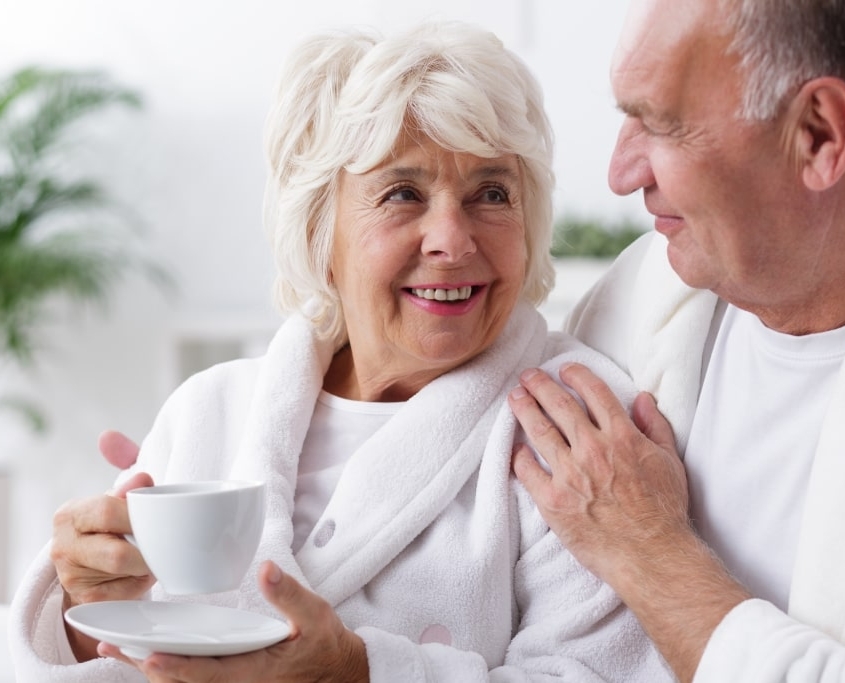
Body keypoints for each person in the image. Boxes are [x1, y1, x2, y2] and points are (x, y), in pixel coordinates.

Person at [8, 21, 672, 683]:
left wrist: (357, 672)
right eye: (402, 193)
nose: (452, 238)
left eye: (491, 193)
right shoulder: (210, 410)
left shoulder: (571, 429)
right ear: (321, 229)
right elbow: (123, 656)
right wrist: (82, 607)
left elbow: (600, 672)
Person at [507, 0, 845, 681]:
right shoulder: (637, 297)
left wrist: (648, 549)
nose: (621, 172)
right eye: (623, 117)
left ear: (817, 135)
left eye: (660, 123)